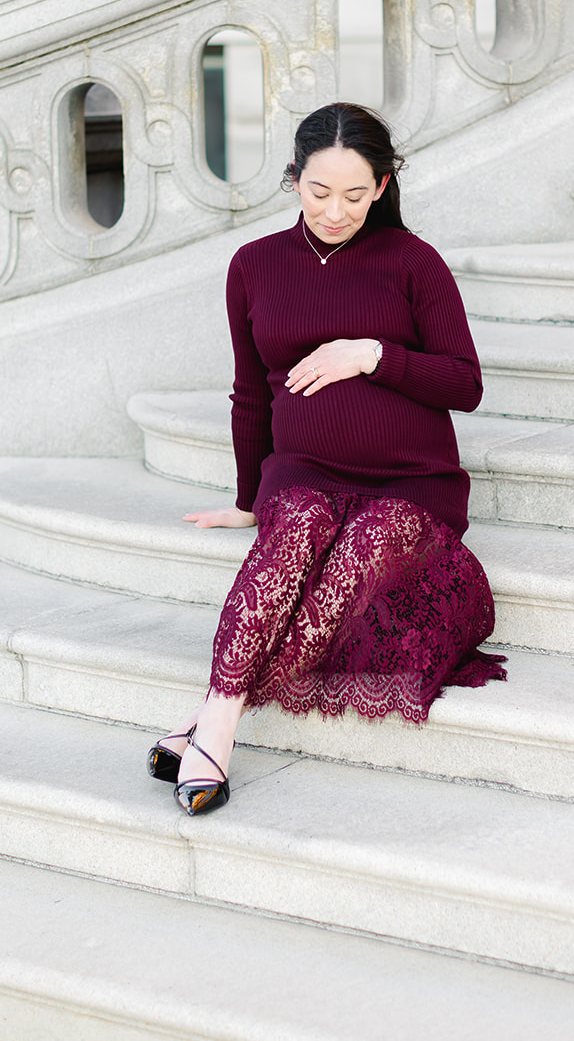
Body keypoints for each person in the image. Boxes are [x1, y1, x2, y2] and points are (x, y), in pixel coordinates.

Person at [147, 103, 506, 814]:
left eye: (352, 194)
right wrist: (252, 498)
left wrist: (371, 355)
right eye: (318, 192)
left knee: (361, 552)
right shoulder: (253, 266)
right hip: (302, 470)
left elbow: (464, 383)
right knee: (296, 532)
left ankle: (205, 720)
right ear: (292, 180)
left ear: (381, 186)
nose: (334, 210)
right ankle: (219, 722)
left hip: (413, 480)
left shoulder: (413, 262)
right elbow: (251, 394)